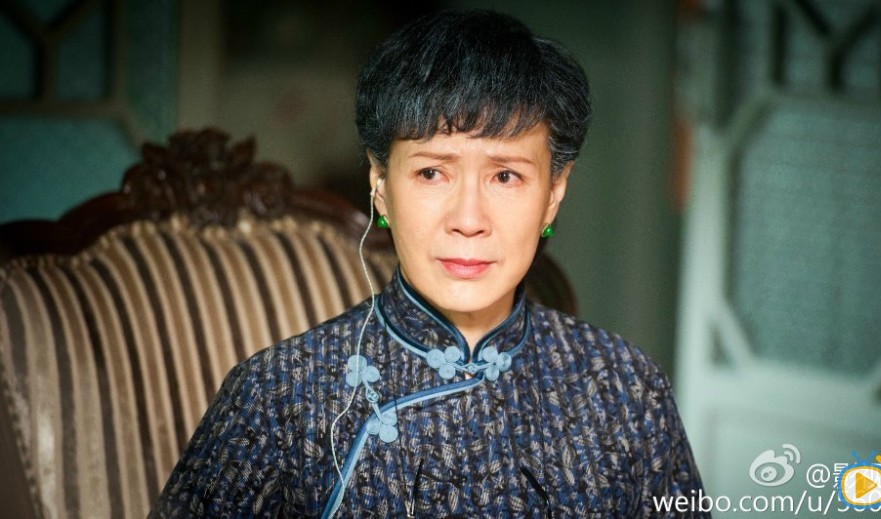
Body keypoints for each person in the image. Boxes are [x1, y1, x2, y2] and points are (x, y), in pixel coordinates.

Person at [152, 9, 706, 518]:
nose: (468, 219)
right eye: (431, 173)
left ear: (553, 193)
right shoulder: (279, 395)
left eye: (506, 176)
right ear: (380, 184)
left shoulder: (626, 390)